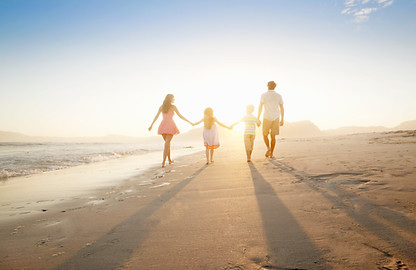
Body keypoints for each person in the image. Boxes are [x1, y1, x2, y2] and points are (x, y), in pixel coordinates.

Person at [148, 94, 193, 167]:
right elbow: (180, 116)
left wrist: (151, 125)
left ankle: (169, 160)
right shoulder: (172, 107)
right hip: (170, 126)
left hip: (163, 125)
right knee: (167, 144)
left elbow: (156, 117)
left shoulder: (163, 107)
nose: (174, 99)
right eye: (173, 98)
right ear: (170, 99)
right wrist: (151, 125)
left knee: (167, 144)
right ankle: (163, 162)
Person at [257, 81, 284, 159]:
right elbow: (282, 108)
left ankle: (268, 148)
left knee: (265, 134)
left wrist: (258, 118)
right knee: (273, 136)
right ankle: (271, 153)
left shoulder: (263, 95)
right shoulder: (278, 96)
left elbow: (260, 107)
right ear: (275, 86)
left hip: (266, 117)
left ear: (267, 86)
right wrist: (282, 119)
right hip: (276, 117)